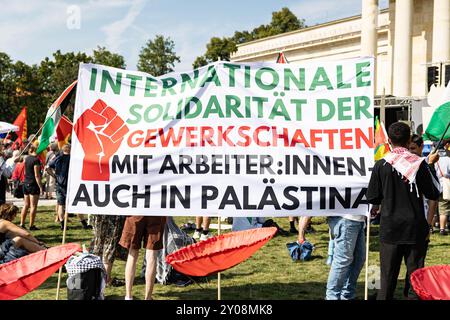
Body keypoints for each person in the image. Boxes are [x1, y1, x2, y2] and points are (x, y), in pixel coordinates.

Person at [367, 122, 440, 300]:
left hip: (390, 227)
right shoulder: (419, 164)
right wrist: (429, 166)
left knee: (386, 278)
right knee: (416, 279)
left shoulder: (381, 165)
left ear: (389, 141)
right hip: (415, 227)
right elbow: (433, 192)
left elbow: (373, 197)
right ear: (409, 140)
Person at [119, 215, 166, 300]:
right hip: (154, 213)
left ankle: (129, 296)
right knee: (150, 256)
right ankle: (147, 298)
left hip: (137, 212)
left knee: (133, 254)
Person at [47, 144, 91, 230]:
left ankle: (63, 225)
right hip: (70, 184)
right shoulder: (72, 158)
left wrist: (54, 176)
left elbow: (48, 168)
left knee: (60, 205)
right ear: (70, 149)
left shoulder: (57, 158)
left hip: (59, 184)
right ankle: (84, 223)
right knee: (76, 204)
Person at [90, 214, 126, 286]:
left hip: (101, 212)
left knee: (99, 242)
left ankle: (99, 277)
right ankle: (105, 279)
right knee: (109, 243)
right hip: (113, 214)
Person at [20, 145, 43, 230]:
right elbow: (37, 175)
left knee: (26, 204)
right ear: (36, 150)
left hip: (26, 183)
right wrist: (40, 186)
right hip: (33, 184)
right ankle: (31, 225)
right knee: (33, 206)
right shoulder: (36, 160)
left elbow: (25, 172)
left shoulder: (27, 158)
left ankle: (22, 223)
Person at [435, 140, 450, 235]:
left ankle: (431, 227)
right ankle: (442, 229)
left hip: (434, 185)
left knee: (432, 206)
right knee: (444, 208)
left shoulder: (431, 158)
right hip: (445, 186)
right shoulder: (448, 159)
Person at [0, 140, 16, 205]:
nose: (3, 146)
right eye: (2, 144)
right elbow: (7, 173)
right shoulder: (0, 158)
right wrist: (13, 163)